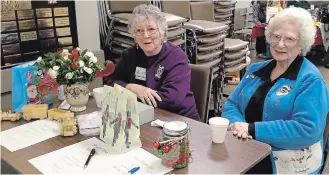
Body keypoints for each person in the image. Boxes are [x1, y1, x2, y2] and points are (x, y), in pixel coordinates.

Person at [222, 7, 329, 174]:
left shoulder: (310, 80)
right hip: (244, 151)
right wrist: (237, 127)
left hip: (284, 165)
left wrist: (251, 129)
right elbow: (231, 104)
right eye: (276, 36)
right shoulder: (255, 70)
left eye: (290, 39)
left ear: (302, 44)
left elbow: (307, 129)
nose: (280, 44)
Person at [104, 4, 199, 120]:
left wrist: (128, 94)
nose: (145, 35)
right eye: (139, 30)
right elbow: (109, 81)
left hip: (179, 119)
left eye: (151, 29)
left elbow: (170, 100)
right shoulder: (129, 55)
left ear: (162, 32)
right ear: (133, 35)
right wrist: (131, 87)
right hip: (144, 116)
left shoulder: (177, 57)